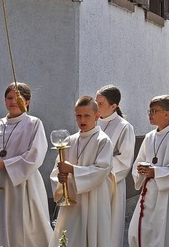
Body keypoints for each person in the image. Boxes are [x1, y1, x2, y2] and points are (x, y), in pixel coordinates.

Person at [0, 82, 52, 247]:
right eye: (9, 98)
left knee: (26, 228)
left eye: (18, 98)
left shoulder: (33, 123)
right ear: (4, 101)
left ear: (28, 101)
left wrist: (5, 164)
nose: (13, 102)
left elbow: (35, 154)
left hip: (23, 184)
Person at [49, 96, 115, 247]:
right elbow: (56, 170)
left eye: (87, 116)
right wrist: (60, 178)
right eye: (79, 116)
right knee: (69, 235)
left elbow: (102, 169)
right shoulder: (69, 140)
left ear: (97, 116)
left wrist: (72, 169)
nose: (82, 120)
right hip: (72, 198)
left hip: (94, 199)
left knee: (92, 237)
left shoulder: (103, 140)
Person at [129, 95, 169, 247]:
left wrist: (156, 172)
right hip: (148, 191)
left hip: (168, 193)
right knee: (140, 230)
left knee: (165, 232)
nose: (150, 114)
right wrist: (141, 170)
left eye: (154, 111)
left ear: (166, 114)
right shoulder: (149, 137)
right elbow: (139, 161)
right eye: (149, 111)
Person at [95, 84, 135, 247]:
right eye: (95, 102)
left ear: (114, 106)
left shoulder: (124, 127)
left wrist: (100, 171)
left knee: (110, 227)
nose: (96, 107)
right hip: (91, 181)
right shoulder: (93, 122)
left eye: (100, 104)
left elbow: (125, 160)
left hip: (111, 183)